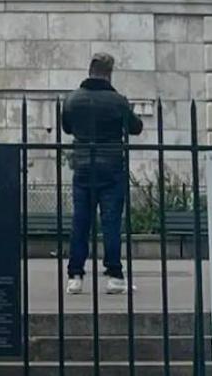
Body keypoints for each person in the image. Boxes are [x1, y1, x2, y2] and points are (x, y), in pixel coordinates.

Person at [61, 53, 143, 295]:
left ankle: (75, 276)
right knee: (111, 222)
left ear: (90, 70)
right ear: (109, 73)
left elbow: (67, 127)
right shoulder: (118, 101)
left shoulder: (73, 100)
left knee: (80, 221)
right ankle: (115, 276)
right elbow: (136, 128)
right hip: (111, 168)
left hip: (83, 167)